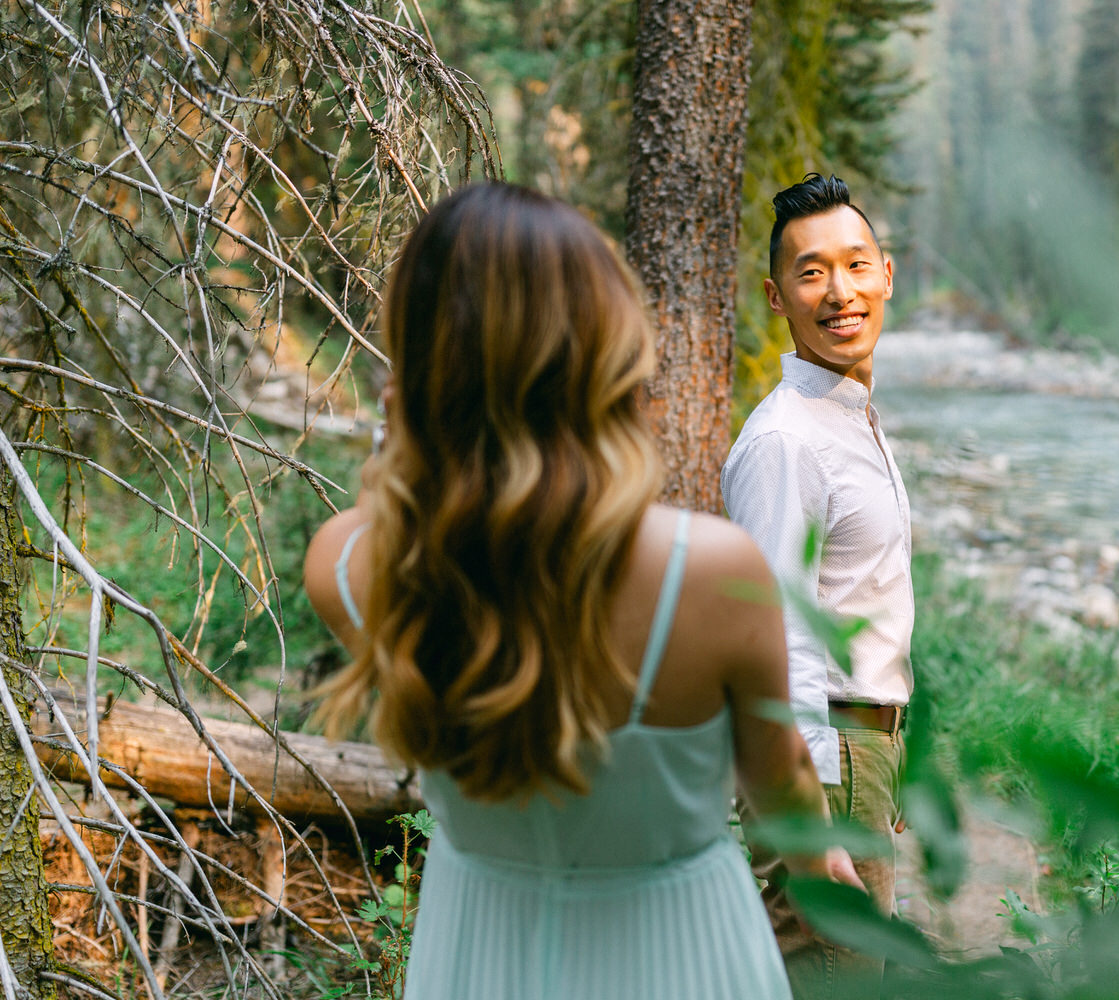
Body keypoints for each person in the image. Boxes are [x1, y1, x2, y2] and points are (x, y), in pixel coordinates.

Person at [303, 182, 858, 1000]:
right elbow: (778, 784)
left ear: (417, 357)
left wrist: (410, 437)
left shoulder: (349, 565)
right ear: (604, 351)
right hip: (681, 955)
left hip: (475, 958)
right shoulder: (711, 573)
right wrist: (824, 866)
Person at [721, 172, 914, 998]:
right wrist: (809, 817)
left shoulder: (848, 412)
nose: (841, 292)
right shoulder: (787, 442)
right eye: (811, 272)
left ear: (886, 274)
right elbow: (773, 639)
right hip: (820, 762)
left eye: (856, 265)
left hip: (859, 756)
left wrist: (888, 760)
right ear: (777, 295)